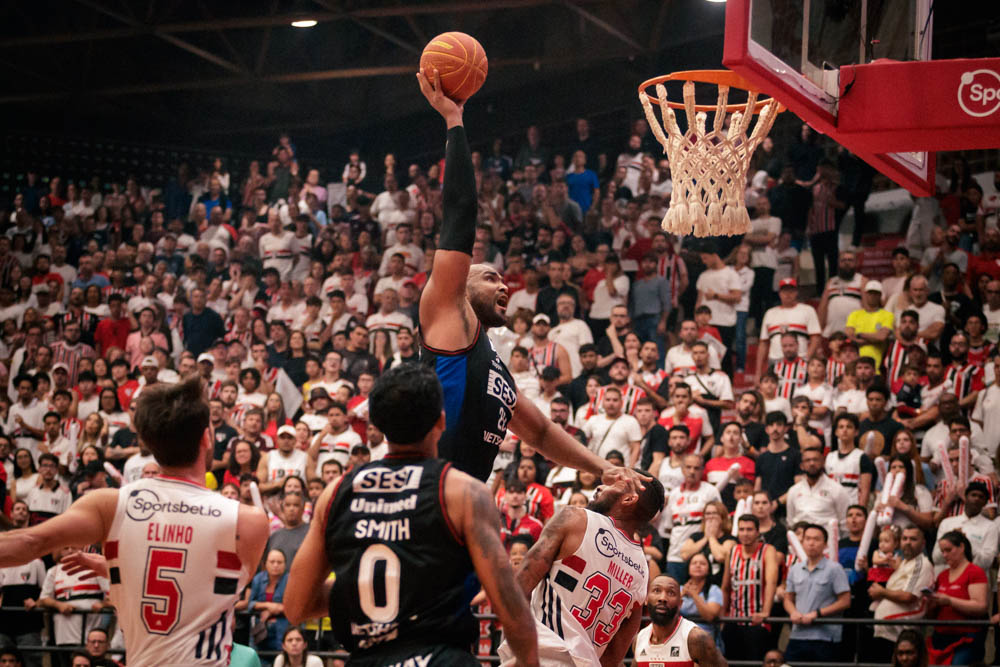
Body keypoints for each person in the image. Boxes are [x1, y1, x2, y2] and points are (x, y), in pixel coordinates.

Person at [413, 65, 641, 493]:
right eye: (490, 277)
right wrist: (454, 120)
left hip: (463, 502)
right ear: (460, 284)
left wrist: (602, 469)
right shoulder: (446, 314)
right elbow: (460, 214)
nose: (504, 287)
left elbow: (538, 433)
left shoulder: (493, 362)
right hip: (429, 495)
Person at [0, 376, 270, 666]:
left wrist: (118, 568)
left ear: (148, 442)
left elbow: (30, 541)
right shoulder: (247, 521)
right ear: (206, 438)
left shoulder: (109, 504)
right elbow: (202, 583)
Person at [284, 364, 540, 666]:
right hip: (441, 658)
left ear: (377, 425)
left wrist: (368, 591)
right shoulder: (463, 492)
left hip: (368, 658)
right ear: (441, 421)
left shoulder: (335, 493)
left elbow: (296, 606)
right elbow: (510, 608)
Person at [498, 468, 665, 666]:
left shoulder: (575, 519)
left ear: (628, 499)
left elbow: (519, 587)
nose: (600, 486)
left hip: (540, 654)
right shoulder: (642, 572)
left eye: (614, 483)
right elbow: (615, 653)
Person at [782, 524, 852, 663]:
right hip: (798, 635)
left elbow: (845, 601)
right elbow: (788, 598)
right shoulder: (795, 569)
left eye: (816, 539)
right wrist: (793, 612)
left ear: (825, 544)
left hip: (825, 637)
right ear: (802, 542)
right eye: (807, 539)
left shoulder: (834, 569)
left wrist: (817, 614)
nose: (811, 543)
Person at [865, 526, 934, 664]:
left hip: (900, 634)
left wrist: (882, 592)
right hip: (886, 631)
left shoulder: (921, 564)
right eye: (905, 538)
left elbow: (909, 596)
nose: (908, 542)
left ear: (923, 543)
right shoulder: (903, 563)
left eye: (913, 539)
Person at [632, 575, 728, 666]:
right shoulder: (639, 639)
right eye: (657, 590)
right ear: (646, 599)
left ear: (680, 603)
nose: (663, 598)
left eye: (671, 593)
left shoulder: (697, 639)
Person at [722, 514, 779, 661]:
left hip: (757, 620)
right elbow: (725, 587)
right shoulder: (733, 551)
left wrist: (765, 612)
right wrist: (723, 616)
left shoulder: (768, 550)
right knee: (732, 661)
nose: (745, 533)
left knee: (754, 661)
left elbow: (771, 582)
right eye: (742, 529)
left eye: (749, 529)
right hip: (734, 620)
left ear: (757, 532)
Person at [927, 531, 989, 665]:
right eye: (942, 551)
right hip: (941, 636)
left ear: (962, 547)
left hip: (965, 637)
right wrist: (931, 604)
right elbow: (932, 614)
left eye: (948, 550)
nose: (944, 555)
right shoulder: (942, 575)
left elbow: (981, 606)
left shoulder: (975, 572)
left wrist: (950, 601)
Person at [663, 455, 722, 582]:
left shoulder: (710, 491)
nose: (692, 471)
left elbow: (720, 521)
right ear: (682, 469)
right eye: (688, 467)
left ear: (702, 470)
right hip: (675, 555)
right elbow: (668, 526)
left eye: (696, 468)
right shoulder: (674, 494)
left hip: (700, 558)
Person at [786, 447, 851, 533]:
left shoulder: (837, 489)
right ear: (802, 466)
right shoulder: (793, 491)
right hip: (800, 542)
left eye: (815, 460)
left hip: (828, 542)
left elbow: (844, 524)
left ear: (823, 463)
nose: (812, 463)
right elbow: (790, 523)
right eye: (807, 460)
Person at [247, 549, 289, 656]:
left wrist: (272, 611)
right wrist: (269, 606)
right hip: (260, 629)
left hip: (283, 628)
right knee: (258, 659)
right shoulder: (258, 579)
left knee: (281, 659)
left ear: (285, 565)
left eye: (279, 562)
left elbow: (296, 606)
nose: (276, 565)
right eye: (272, 562)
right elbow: (250, 604)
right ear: (266, 563)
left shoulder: (290, 580)